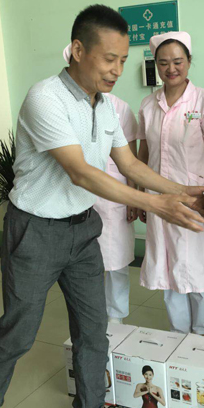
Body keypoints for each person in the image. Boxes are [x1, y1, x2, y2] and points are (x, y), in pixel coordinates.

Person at [0, 5, 204, 408]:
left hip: (84, 231)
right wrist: (156, 204)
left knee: (94, 332)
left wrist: (184, 191)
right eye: (109, 58)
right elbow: (80, 172)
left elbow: (129, 164)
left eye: (123, 60)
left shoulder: (105, 105)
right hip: (36, 232)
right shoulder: (45, 98)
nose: (117, 70)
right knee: (17, 334)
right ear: (79, 50)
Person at [137, 31, 204, 335]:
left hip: (196, 199)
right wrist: (141, 195)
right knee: (167, 268)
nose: (171, 68)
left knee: (200, 270)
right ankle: (178, 337)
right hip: (159, 199)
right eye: (163, 63)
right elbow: (143, 154)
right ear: (156, 65)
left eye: (177, 61)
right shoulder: (148, 105)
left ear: (189, 61)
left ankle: (201, 335)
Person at [63, 43, 139, 325]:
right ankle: (92, 319)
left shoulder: (120, 108)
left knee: (117, 263)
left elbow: (130, 160)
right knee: (85, 266)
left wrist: (133, 197)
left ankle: (116, 319)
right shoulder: (61, 105)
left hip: (115, 196)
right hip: (80, 195)